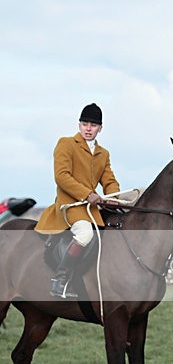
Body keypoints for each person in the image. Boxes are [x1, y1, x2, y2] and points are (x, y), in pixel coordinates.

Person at [35, 103, 120, 298]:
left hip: (92, 209)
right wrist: (87, 194)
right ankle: (60, 279)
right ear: (79, 125)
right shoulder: (65, 143)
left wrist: (114, 197)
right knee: (85, 235)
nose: (88, 128)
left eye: (93, 125)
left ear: (100, 128)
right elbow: (62, 176)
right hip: (69, 206)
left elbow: (110, 180)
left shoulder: (103, 153)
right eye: (85, 124)